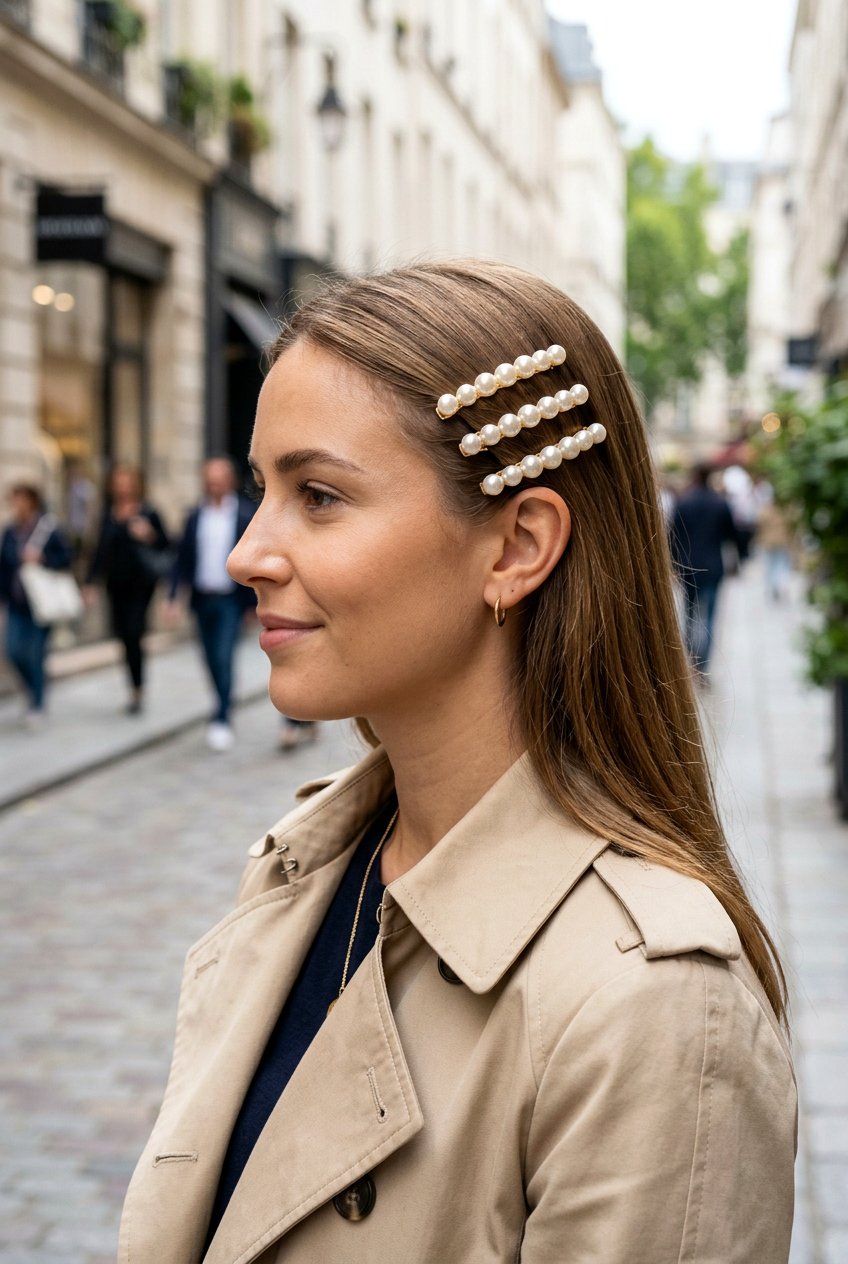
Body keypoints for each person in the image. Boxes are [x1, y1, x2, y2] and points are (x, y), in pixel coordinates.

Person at [120, 263, 796, 1263]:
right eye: (261, 490)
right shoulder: (314, 865)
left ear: (515, 546)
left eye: (316, 494)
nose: (248, 553)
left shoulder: (652, 1011)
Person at [167, 458, 256, 752]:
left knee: (222, 656)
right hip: (201, 598)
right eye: (209, 479)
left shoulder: (244, 514)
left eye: (219, 479)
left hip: (231, 600)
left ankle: (221, 716)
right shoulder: (195, 515)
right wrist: (172, 598)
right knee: (208, 658)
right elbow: (181, 560)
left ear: (229, 481)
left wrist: (253, 603)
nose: (213, 484)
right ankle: (222, 702)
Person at [85, 464, 170, 714]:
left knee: (134, 631)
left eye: (126, 480)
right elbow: (99, 551)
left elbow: (167, 543)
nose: (122, 485)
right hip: (115, 584)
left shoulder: (148, 512)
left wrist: (149, 535)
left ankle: (138, 689)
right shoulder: (108, 514)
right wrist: (91, 582)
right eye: (118, 481)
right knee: (123, 635)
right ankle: (134, 684)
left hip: (141, 585)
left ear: (135, 483)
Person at [0, 483, 72, 726]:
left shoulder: (48, 528)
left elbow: (67, 557)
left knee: (36, 655)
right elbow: (3, 568)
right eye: (13, 500)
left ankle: (38, 703)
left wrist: (43, 559)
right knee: (12, 651)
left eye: (20, 499)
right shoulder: (11, 532)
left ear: (31, 501)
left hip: (42, 605)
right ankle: (34, 691)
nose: (16, 505)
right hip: (16, 603)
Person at [670, 461, 739, 677]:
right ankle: (704, 665)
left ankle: (691, 656)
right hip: (713, 566)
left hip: (688, 566)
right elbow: (732, 535)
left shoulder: (684, 503)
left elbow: (673, 536)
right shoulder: (720, 503)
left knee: (689, 614)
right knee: (709, 616)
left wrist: (674, 564)